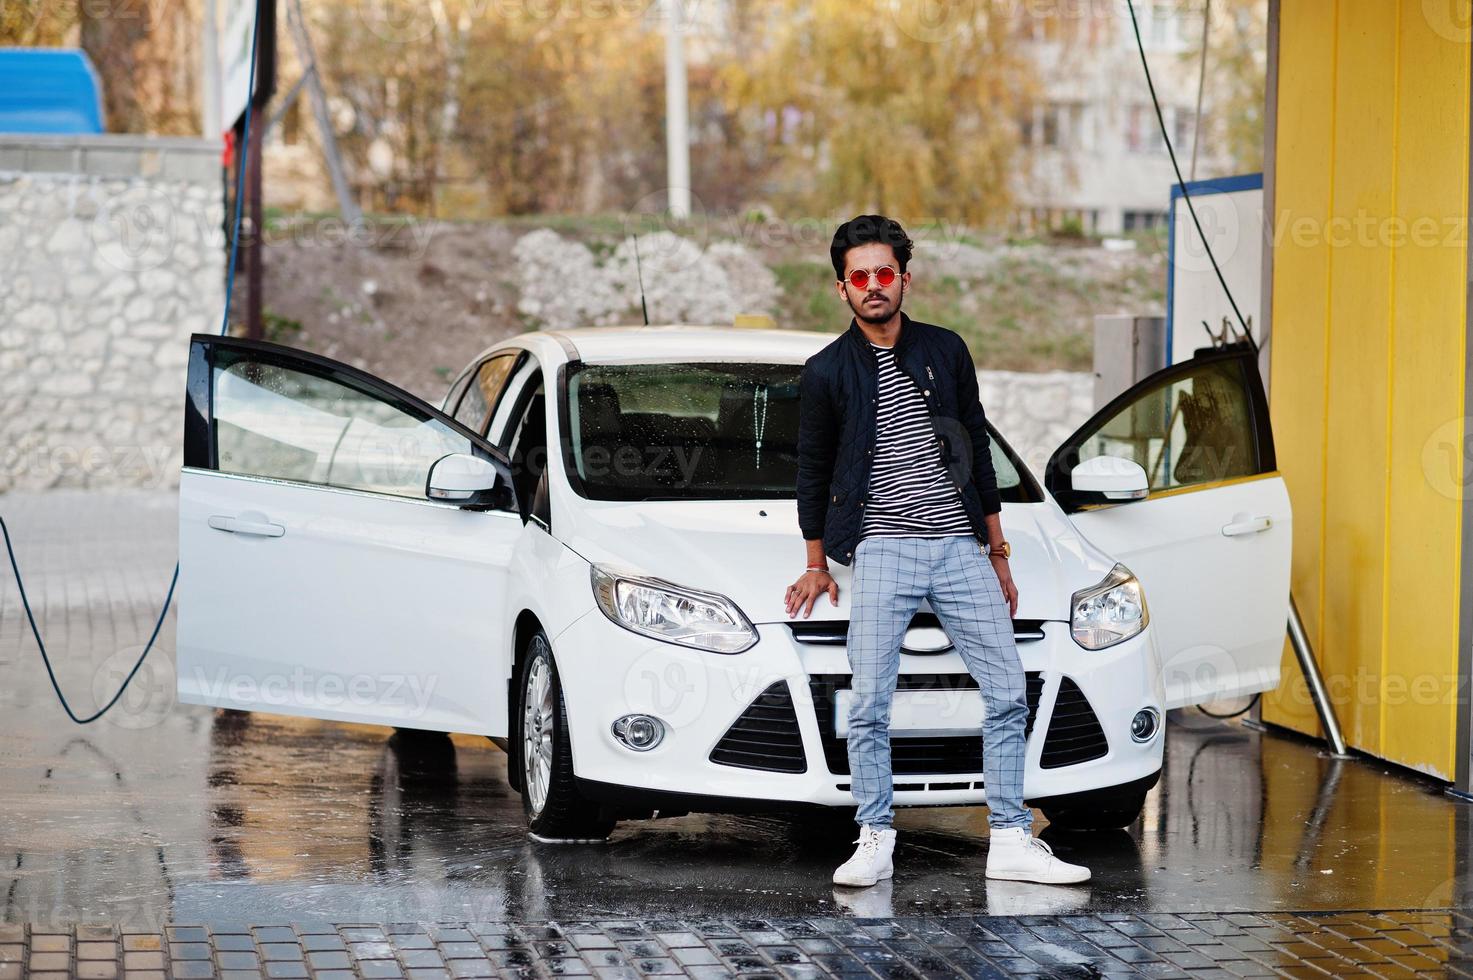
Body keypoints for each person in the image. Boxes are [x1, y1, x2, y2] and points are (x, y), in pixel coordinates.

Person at [784, 214, 1090, 889]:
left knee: (1007, 690)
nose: (872, 286)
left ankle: (1009, 837)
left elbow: (975, 448)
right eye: (858, 276)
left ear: (903, 280)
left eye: (883, 274)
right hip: (883, 549)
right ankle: (874, 836)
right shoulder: (825, 373)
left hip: (957, 546)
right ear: (841, 288)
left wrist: (996, 551)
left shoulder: (945, 351)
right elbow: (811, 472)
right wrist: (814, 564)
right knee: (868, 702)